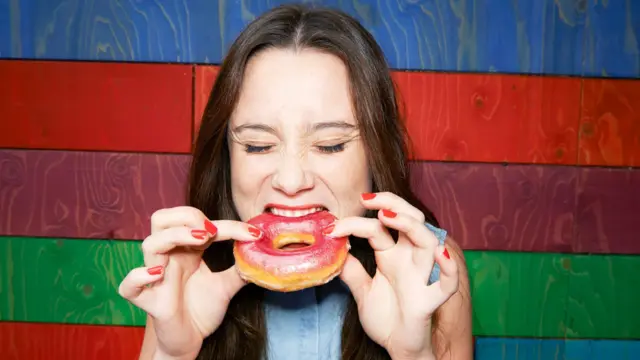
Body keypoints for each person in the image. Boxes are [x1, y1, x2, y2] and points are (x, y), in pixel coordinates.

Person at [118, 4, 472, 360]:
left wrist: (412, 353)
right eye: (257, 146)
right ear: (226, 157)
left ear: (376, 151)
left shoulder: (430, 271)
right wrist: (174, 352)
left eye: (330, 144)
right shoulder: (184, 273)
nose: (290, 181)